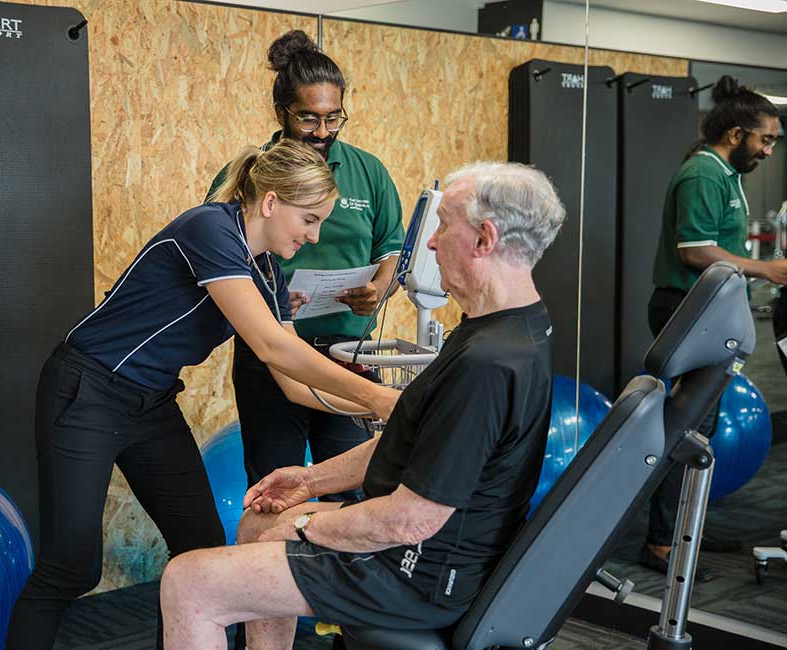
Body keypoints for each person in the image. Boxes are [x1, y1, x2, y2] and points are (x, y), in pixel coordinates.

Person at [5, 139, 400, 650]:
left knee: (204, 553)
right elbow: (274, 348)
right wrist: (377, 398)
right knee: (72, 566)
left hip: (150, 404)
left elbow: (293, 385)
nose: (314, 234)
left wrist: (389, 409)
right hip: (88, 390)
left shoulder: (270, 273)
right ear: (273, 202)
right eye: (308, 219)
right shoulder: (210, 228)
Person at [161, 162, 566, 650]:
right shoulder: (509, 325)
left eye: (443, 226)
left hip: (414, 572)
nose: (432, 244)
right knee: (258, 522)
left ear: (484, 239)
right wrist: (309, 481)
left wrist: (309, 525)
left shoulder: (488, 364)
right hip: (423, 551)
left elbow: (409, 520)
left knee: (188, 582)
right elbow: (412, 439)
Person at [206, 30, 405, 506]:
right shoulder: (249, 174)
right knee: (275, 488)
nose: (322, 131)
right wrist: (271, 297)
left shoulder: (367, 171)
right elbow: (220, 258)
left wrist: (380, 287)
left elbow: (392, 250)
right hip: (272, 351)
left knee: (358, 487)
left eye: (333, 117)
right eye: (309, 119)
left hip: (345, 350)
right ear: (282, 115)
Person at [643, 75, 782, 578]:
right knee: (685, 428)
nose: (769, 149)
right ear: (736, 133)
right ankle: (661, 542)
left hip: (711, 313)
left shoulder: (726, 174)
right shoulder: (703, 174)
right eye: (765, 138)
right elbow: (694, 251)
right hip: (687, 310)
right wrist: (766, 269)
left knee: (701, 429)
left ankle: (685, 528)